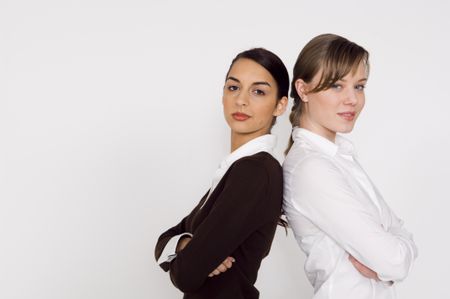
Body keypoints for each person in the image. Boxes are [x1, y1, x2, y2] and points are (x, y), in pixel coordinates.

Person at [283, 34, 418, 299]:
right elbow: (394, 260)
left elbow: (401, 235)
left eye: (359, 86)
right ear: (303, 89)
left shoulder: (338, 157)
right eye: (336, 86)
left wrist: (390, 261)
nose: (352, 99)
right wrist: (390, 263)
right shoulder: (311, 168)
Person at [155, 48, 289, 299]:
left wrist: (192, 255)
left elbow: (186, 274)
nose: (241, 100)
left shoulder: (254, 171)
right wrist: (186, 243)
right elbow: (165, 239)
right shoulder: (237, 169)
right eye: (233, 87)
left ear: (280, 105)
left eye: (258, 91)